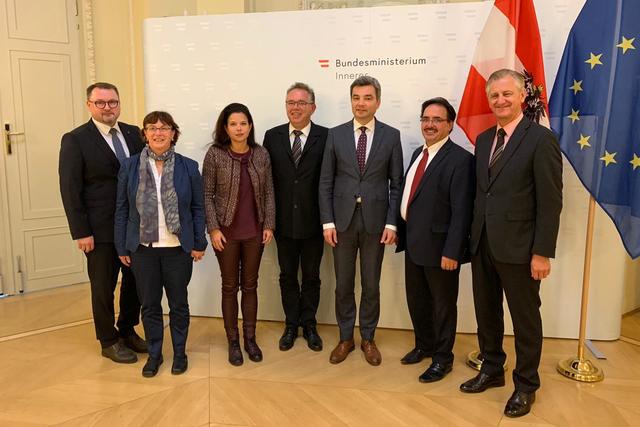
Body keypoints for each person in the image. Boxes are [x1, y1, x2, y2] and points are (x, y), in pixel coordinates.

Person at [459, 69, 562, 418]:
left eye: (507, 94)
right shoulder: (485, 138)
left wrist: (542, 252)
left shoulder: (541, 139)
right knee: (487, 314)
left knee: (525, 319)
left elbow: (550, 201)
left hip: (521, 249)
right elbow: (481, 194)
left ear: (521, 96)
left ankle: (526, 384)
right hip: (483, 244)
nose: (500, 101)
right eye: (494, 96)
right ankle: (491, 370)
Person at [114, 111, 207, 377]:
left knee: (179, 304)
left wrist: (199, 243)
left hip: (178, 249)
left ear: (173, 133)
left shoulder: (188, 167)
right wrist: (122, 246)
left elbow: (198, 208)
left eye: (164, 128)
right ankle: (154, 355)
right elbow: (122, 209)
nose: (158, 132)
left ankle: (180, 354)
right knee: (150, 306)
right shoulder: (130, 166)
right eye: (152, 128)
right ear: (144, 134)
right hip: (143, 250)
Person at [319, 76, 403, 366]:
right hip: (341, 223)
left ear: (377, 101)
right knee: (343, 284)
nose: (361, 103)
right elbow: (325, 182)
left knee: (370, 284)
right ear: (351, 100)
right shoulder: (335, 134)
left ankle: (368, 337)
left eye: (367, 98)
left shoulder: (391, 136)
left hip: (375, 224)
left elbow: (397, 183)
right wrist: (327, 222)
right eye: (356, 97)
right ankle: (345, 338)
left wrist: (392, 223)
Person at [59, 82, 146, 363]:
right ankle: (108, 340)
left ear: (119, 104)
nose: (108, 108)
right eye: (101, 103)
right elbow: (70, 189)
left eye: (113, 102)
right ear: (89, 105)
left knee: (135, 283)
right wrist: (81, 231)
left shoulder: (134, 134)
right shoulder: (76, 139)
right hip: (99, 229)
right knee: (103, 285)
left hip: (134, 226)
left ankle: (127, 330)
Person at [396, 97, 474, 382]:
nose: (429, 125)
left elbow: (461, 211)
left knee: (442, 306)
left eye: (437, 120)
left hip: (441, 249)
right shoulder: (419, 152)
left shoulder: (461, 160)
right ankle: (424, 345)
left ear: (450, 125)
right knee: (417, 300)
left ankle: (443, 359)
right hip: (414, 244)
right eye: (425, 119)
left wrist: (453, 251)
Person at [202, 103, 275, 366]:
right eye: (233, 124)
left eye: (243, 123)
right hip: (226, 234)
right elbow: (206, 195)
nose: (239, 128)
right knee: (230, 286)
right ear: (225, 128)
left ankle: (250, 338)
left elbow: (268, 192)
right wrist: (213, 228)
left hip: (255, 232)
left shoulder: (261, 154)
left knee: (251, 285)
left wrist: (269, 225)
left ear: (250, 126)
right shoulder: (215, 155)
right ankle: (233, 341)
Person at [263, 82, 328, 352]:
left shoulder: (327, 136)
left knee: (312, 276)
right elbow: (266, 181)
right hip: (284, 223)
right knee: (287, 276)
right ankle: (291, 324)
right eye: (291, 102)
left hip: (315, 223)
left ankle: (309, 324)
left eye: (302, 103)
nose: (296, 107)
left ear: (312, 107)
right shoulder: (272, 136)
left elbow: (329, 181)